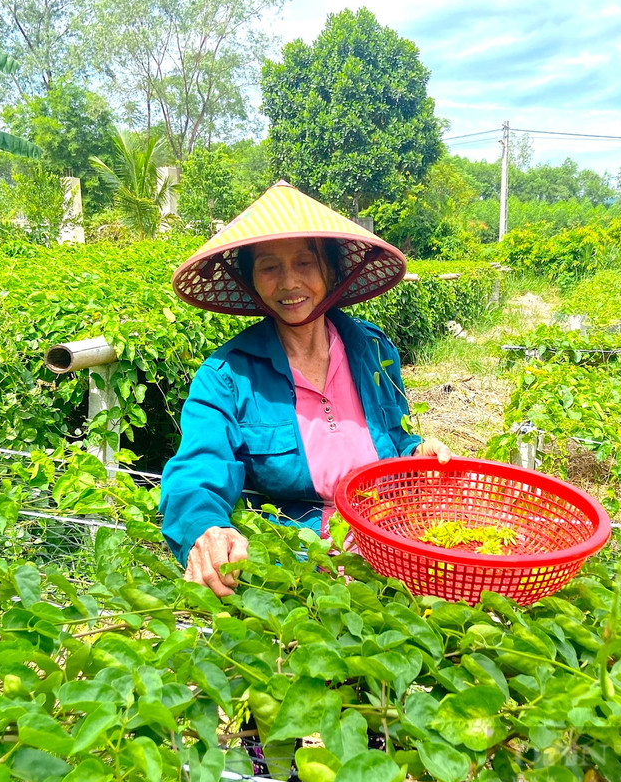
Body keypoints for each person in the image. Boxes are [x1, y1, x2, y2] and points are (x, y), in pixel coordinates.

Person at [160, 180, 451, 594]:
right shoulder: (226, 375)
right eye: (269, 267)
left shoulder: (372, 350)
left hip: (395, 543)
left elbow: (396, 438)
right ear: (252, 281)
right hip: (299, 565)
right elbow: (197, 467)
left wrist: (416, 453)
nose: (289, 283)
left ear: (330, 271)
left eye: (305, 263)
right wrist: (206, 527)